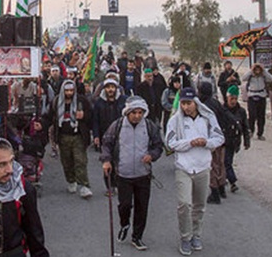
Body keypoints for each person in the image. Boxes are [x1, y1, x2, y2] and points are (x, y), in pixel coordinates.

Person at [165, 87, 224, 256]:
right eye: (183, 103)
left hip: (203, 167)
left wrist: (205, 142)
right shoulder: (175, 121)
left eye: (189, 103)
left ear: (195, 102)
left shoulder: (207, 118)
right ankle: (185, 237)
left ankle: (196, 234)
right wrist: (190, 143)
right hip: (183, 168)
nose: (186, 107)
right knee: (184, 204)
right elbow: (170, 143)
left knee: (199, 205)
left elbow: (219, 138)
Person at [100, 96, 163, 251]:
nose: (137, 116)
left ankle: (137, 236)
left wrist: (152, 156)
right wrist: (106, 160)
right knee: (125, 205)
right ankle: (124, 224)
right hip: (123, 174)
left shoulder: (149, 126)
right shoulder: (118, 125)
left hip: (143, 174)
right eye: (134, 112)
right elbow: (106, 143)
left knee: (142, 207)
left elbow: (158, 146)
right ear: (127, 112)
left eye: (140, 112)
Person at [40, 79, 93, 198]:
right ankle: (71, 180)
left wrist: (84, 116)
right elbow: (48, 117)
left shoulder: (81, 101)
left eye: (71, 90)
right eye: (67, 90)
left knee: (80, 161)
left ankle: (84, 185)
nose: (69, 93)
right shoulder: (57, 101)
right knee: (67, 161)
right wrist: (41, 125)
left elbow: (91, 115)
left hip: (78, 135)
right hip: (63, 136)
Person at [222, 85, 250, 193]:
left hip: (234, 141)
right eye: (231, 98)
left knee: (228, 161)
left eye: (235, 98)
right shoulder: (222, 110)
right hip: (223, 140)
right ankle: (232, 181)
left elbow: (245, 127)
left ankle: (225, 177)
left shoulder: (241, 111)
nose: (233, 101)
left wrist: (247, 141)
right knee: (226, 161)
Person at [241, 63, 272, 141]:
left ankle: (260, 133)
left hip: (261, 96)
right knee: (252, 115)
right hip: (252, 96)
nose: (257, 71)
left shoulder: (263, 76)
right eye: (256, 69)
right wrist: (251, 71)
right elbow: (243, 78)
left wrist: (264, 71)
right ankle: (251, 131)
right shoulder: (250, 76)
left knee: (261, 116)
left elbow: (271, 79)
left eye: (259, 69)